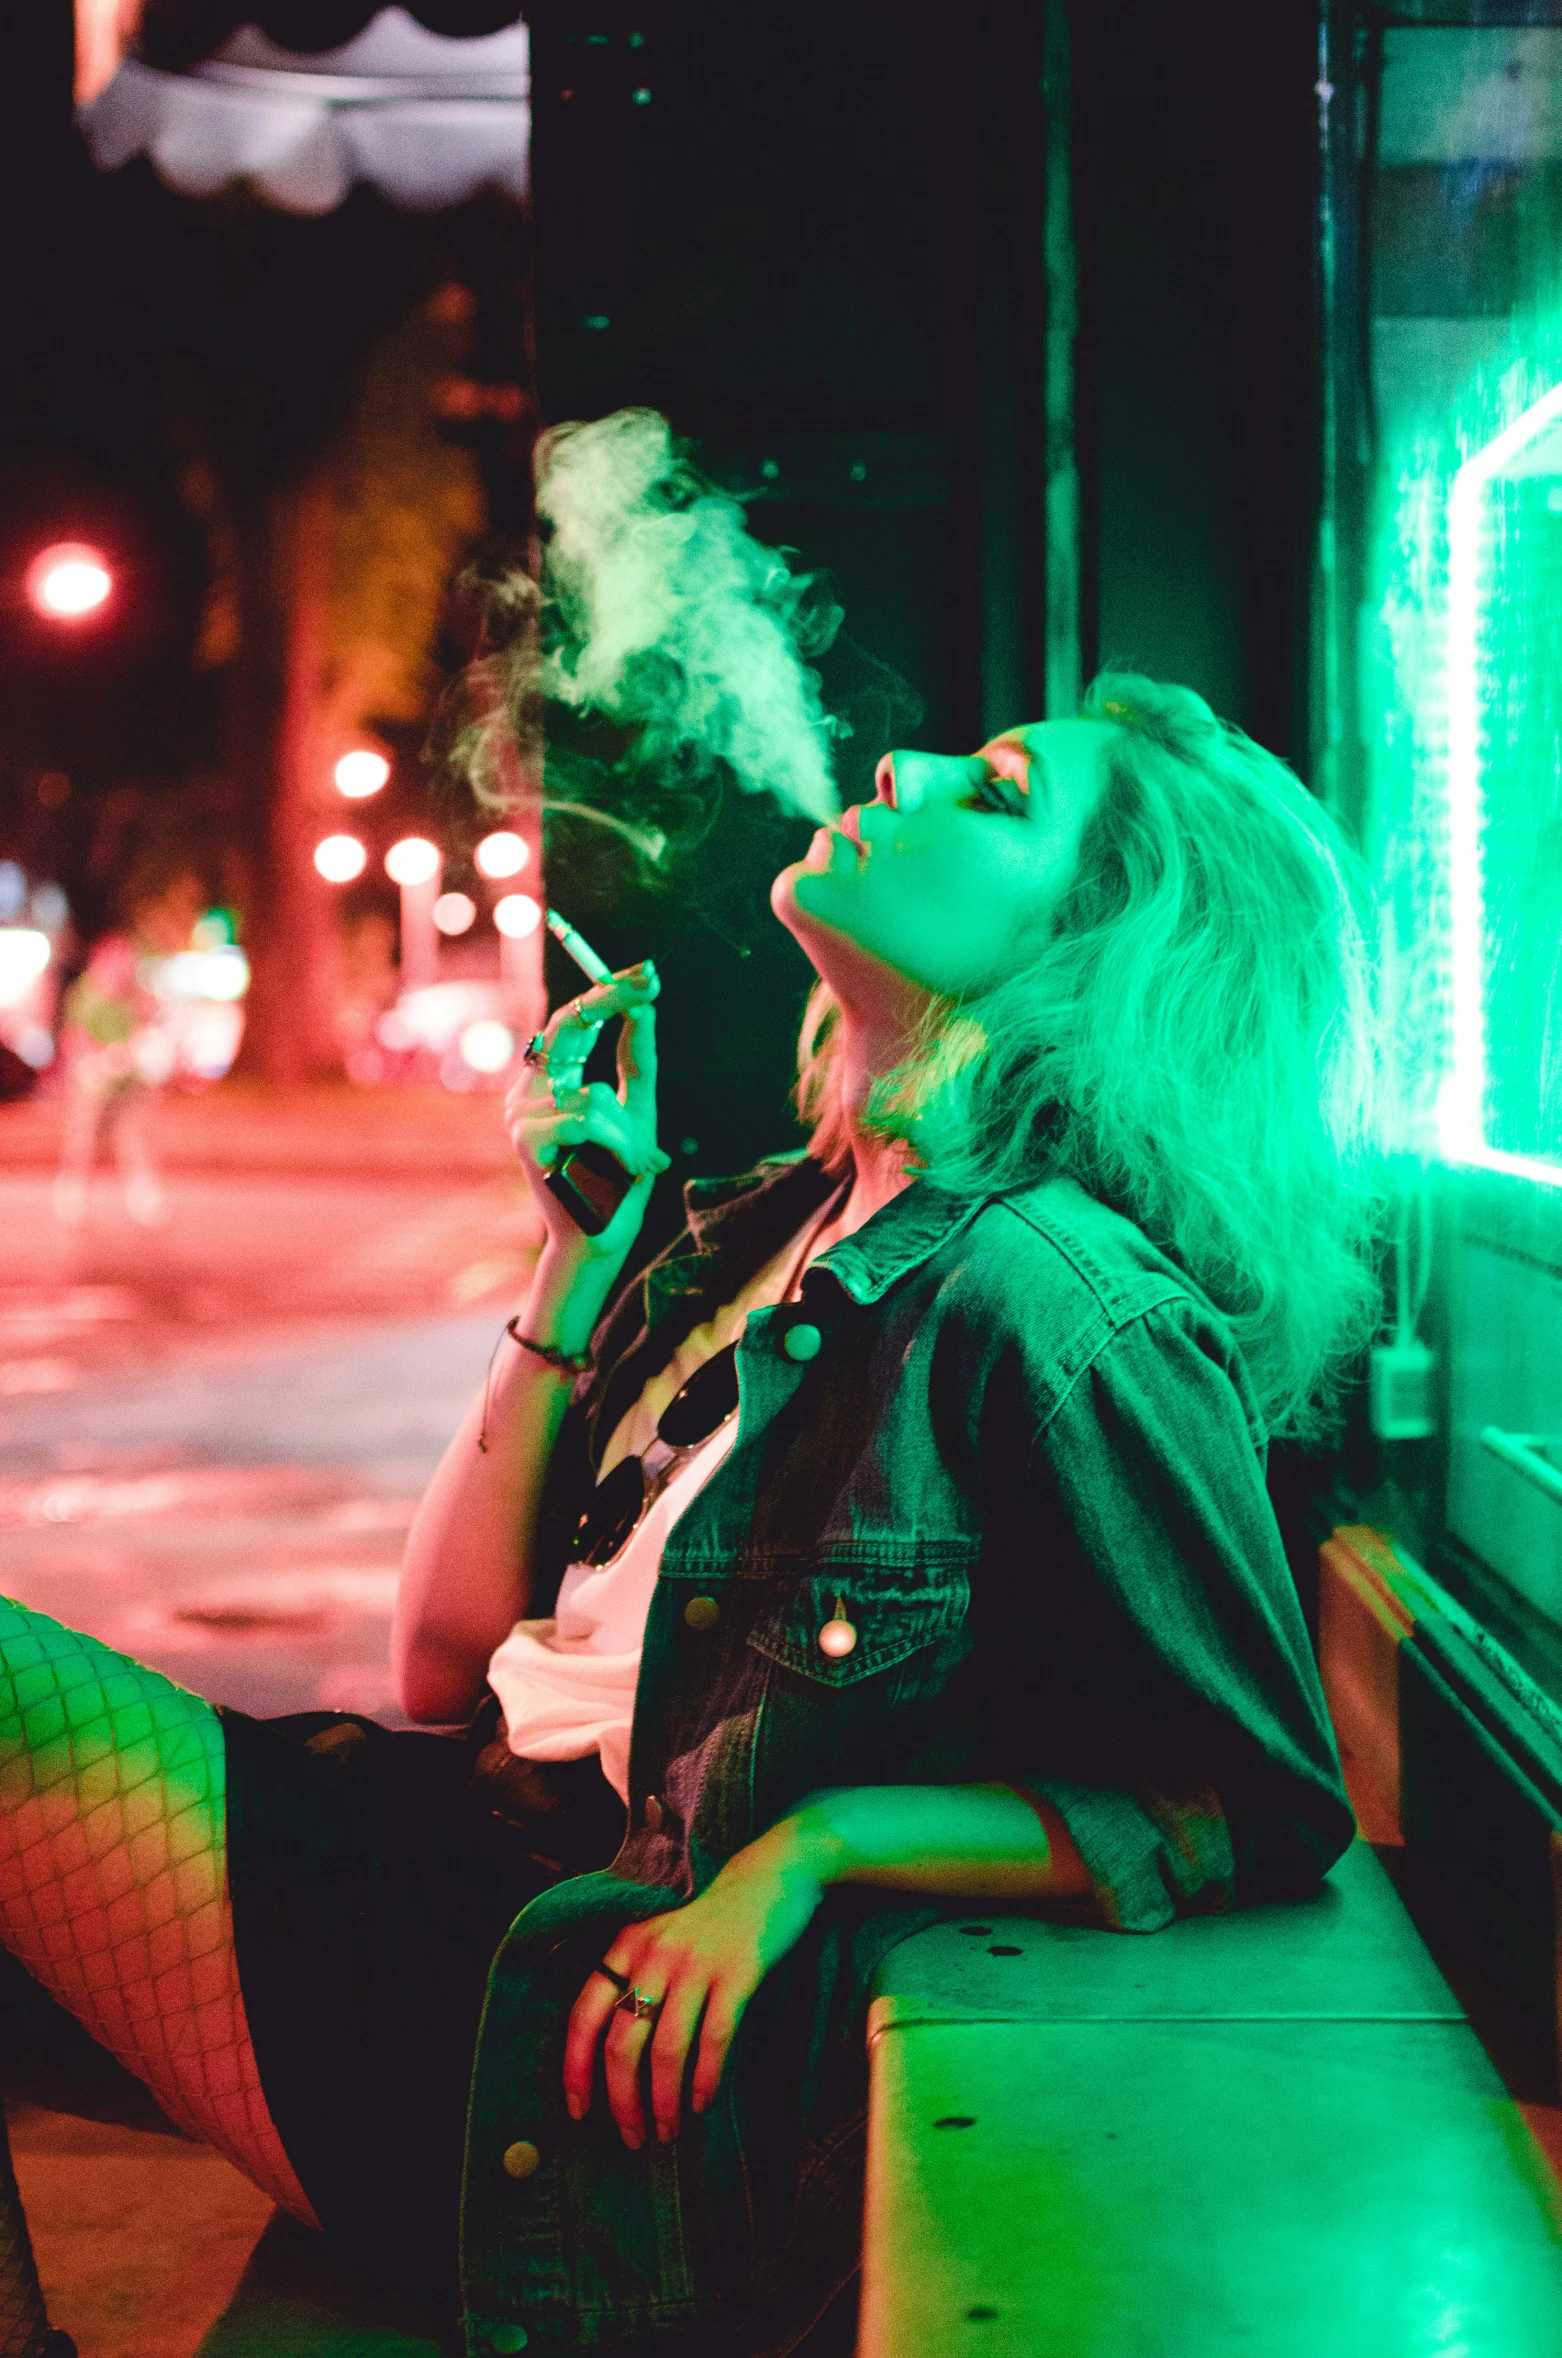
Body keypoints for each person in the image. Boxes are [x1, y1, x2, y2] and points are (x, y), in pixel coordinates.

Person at [0, 674, 1377, 2358]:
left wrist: (818, 1842)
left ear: (1093, 951)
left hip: (533, 2015)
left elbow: (1250, 1793)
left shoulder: (1061, 1300)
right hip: (420, 1848)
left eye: (997, 792)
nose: (908, 763)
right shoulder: (751, 1234)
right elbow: (441, 1663)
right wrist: (576, 1266)